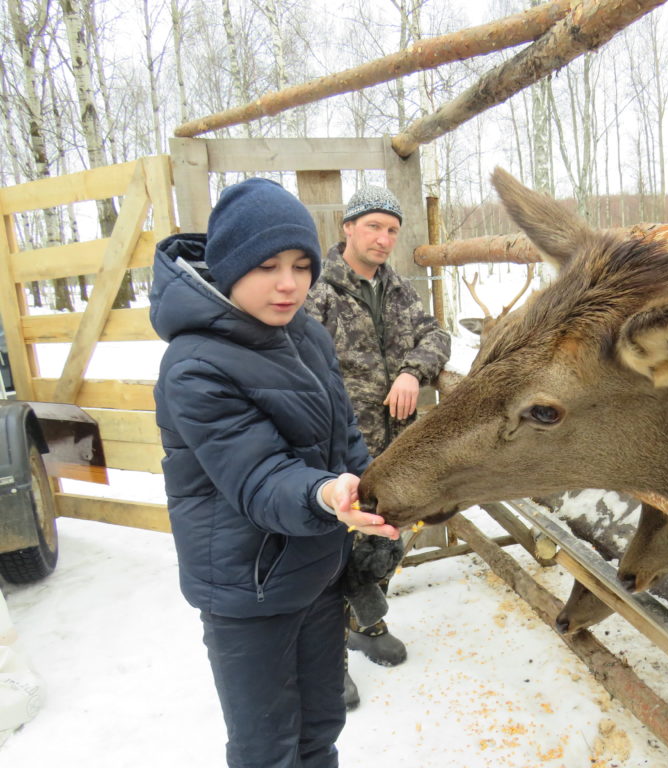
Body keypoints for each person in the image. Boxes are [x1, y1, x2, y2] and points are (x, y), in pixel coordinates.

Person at [150, 177, 398, 768]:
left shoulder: (304, 334)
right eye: (267, 266)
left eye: (300, 265)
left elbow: (346, 437)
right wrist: (326, 494)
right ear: (231, 265)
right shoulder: (193, 365)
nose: (289, 284)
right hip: (248, 588)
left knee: (320, 726)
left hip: (315, 570)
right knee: (267, 749)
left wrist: (381, 490)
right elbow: (259, 477)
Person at [304, 185, 450, 704]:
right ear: (348, 228)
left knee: (385, 538)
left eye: (392, 229)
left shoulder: (398, 289)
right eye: (373, 226)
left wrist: (413, 371)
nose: (384, 238)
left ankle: (364, 627)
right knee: (333, 549)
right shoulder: (317, 290)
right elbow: (297, 366)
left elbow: (438, 334)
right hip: (337, 449)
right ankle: (328, 656)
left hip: (394, 447)